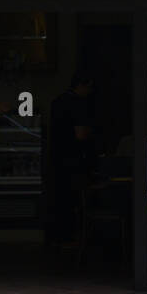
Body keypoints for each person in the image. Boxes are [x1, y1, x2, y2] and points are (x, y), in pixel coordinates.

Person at [46, 71, 97, 246]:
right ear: (82, 85)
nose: (90, 91)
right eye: (89, 87)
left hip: (56, 158)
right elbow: (81, 134)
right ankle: (74, 236)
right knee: (75, 199)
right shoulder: (78, 104)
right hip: (73, 159)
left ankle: (59, 237)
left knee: (60, 199)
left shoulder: (57, 102)